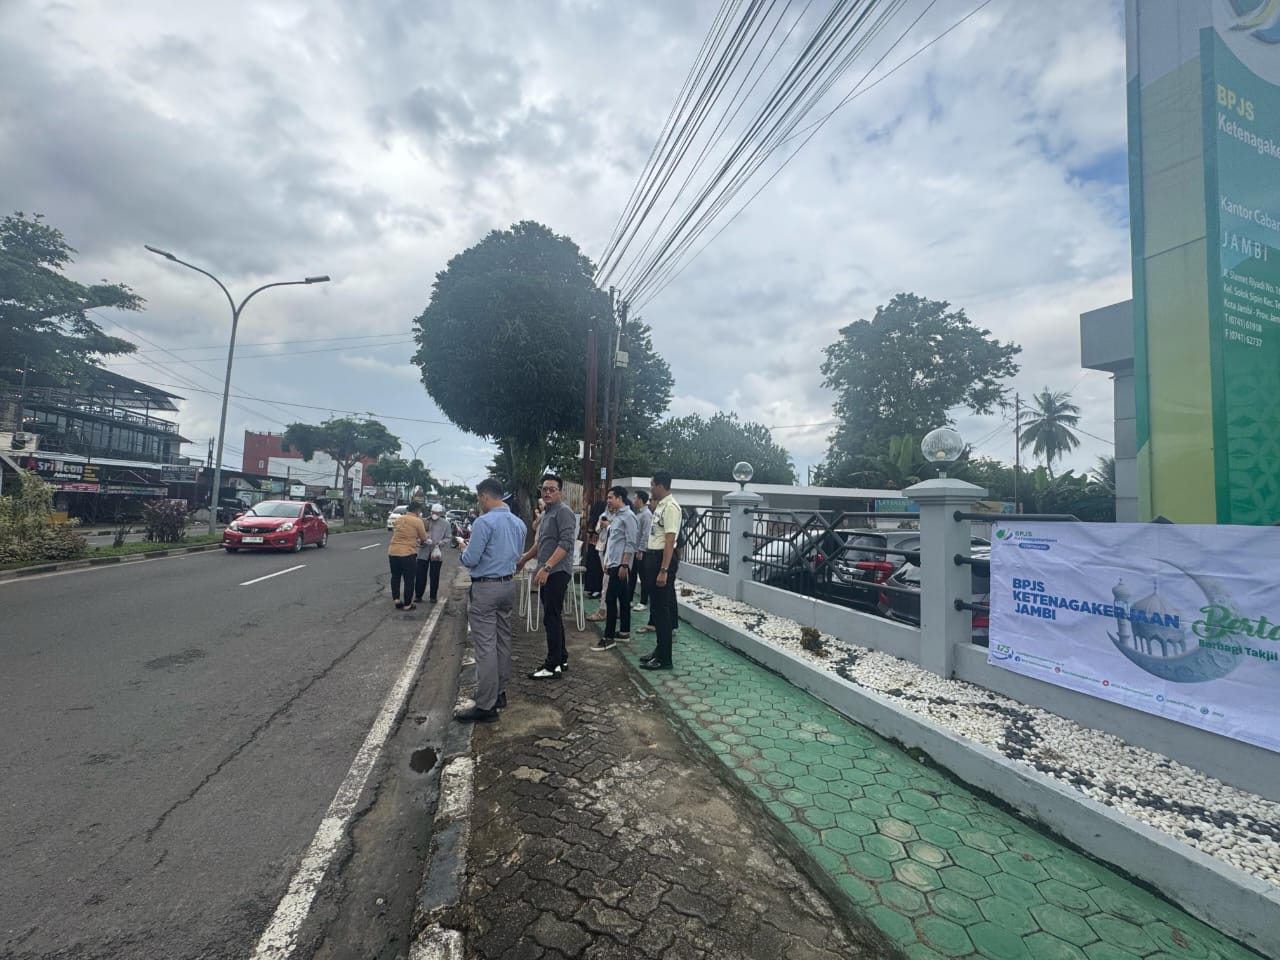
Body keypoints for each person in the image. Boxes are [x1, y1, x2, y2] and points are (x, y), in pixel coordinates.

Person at [454, 478, 527, 723]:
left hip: (486, 588)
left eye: (479, 499)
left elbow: (472, 559)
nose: (479, 503)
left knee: (485, 646)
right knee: (502, 641)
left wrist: (463, 549)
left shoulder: (483, 522)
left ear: (485, 497)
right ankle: (500, 693)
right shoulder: (519, 524)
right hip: (507, 586)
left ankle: (486, 705)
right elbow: (517, 556)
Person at [518, 473, 576, 679]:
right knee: (554, 615)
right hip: (548, 569)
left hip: (557, 572)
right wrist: (524, 559)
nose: (548, 492)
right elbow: (541, 543)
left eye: (552, 489)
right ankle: (561, 657)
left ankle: (551, 666)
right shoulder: (547, 513)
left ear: (560, 492)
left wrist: (547, 567)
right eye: (544, 489)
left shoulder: (563, 512)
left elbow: (566, 544)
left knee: (551, 617)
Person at [640, 471, 682, 670]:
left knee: (662, 610)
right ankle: (659, 650)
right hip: (653, 557)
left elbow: (670, 540)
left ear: (660, 485)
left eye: (652, 484)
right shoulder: (660, 506)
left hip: (661, 560)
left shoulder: (671, 507)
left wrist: (664, 569)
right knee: (656, 608)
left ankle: (665, 658)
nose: (650, 487)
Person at [590, 486, 639, 650]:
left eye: (611, 497)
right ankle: (624, 632)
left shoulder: (629, 517)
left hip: (620, 565)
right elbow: (613, 541)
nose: (608, 501)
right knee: (623, 600)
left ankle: (608, 637)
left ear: (619, 498)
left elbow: (631, 542)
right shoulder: (617, 516)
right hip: (613, 563)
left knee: (611, 600)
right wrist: (607, 561)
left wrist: (624, 564)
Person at [387, 501, 427, 611]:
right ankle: (407, 604)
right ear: (418, 510)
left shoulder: (399, 519)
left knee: (395, 576)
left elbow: (396, 531)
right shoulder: (417, 521)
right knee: (409, 579)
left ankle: (396, 600)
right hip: (407, 553)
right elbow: (424, 538)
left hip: (393, 551)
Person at [415, 503, 451, 604]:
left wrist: (440, 543)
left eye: (437, 513)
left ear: (441, 513)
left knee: (434, 575)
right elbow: (417, 535)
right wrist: (421, 541)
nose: (435, 514)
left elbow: (448, 537)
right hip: (423, 551)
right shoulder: (423, 521)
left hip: (437, 553)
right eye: (434, 512)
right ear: (431, 511)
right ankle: (418, 595)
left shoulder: (445, 524)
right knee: (420, 575)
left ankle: (433, 596)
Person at [630, 490, 652, 611]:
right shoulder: (638, 514)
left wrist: (641, 550)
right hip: (634, 549)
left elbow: (646, 534)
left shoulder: (646, 514)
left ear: (640, 500)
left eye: (635, 498)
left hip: (641, 551)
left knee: (643, 577)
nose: (634, 501)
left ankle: (643, 601)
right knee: (632, 575)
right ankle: (630, 599)